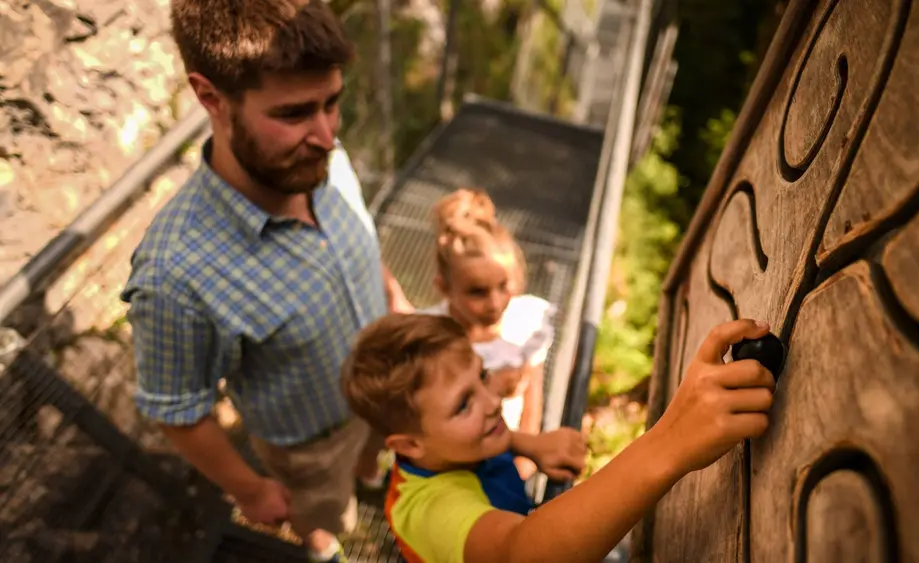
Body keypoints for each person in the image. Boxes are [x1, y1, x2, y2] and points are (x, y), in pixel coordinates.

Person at [121, 1, 411, 561]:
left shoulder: (316, 158)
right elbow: (176, 409)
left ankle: (370, 470)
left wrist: (390, 294)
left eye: (333, 103)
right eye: (295, 113)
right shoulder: (176, 277)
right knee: (324, 512)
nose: (327, 136)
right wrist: (251, 489)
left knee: (372, 457)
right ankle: (323, 544)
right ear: (211, 97)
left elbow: (356, 239)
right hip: (310, 444)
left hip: (383, 388)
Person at [341, 313, 776, 563]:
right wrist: (671, 443)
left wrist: (526, 443)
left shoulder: (446, 443)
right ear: (408, 446)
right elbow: (522, 553)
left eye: (483, 376)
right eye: (462, 405)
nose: (493, 402)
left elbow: (477, 428)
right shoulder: (425, 511)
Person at [420, 189, 555, 478]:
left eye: (503, 286)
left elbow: (533, 391)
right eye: (477, 292)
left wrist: (526, 457)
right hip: (452, 462)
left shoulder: (525, 324)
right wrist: (492, 387)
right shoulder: (430, 338)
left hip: (506, 452)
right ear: (444, 287)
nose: (495, 303)